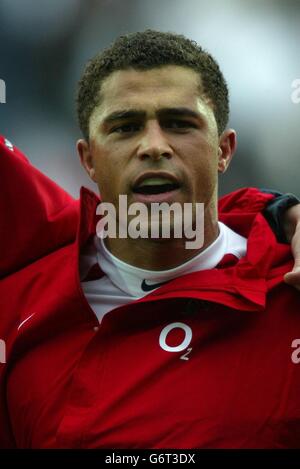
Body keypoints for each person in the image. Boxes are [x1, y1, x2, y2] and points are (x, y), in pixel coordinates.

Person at [0, 29, 300, 449]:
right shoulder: (20, 304)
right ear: (87, 159)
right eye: (125, 127)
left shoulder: (287, 292)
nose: (154, 146)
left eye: (180, 124)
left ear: (224, 150)